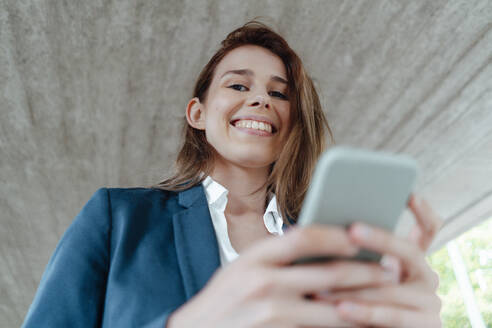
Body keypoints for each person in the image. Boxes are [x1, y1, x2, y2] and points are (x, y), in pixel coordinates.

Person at [22, 21, 443, 328]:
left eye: (279, 93)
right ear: (198, 114)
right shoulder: (118, 218)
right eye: (239, 86)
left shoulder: (327, 248)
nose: (261, 99)